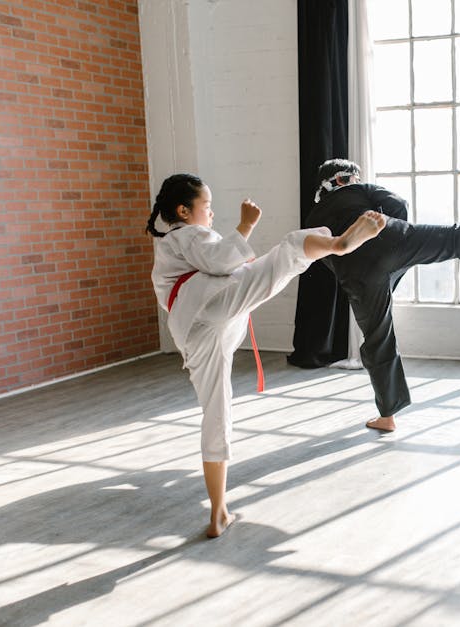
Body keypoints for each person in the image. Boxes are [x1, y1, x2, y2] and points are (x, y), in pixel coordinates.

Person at [147, 173, 385, 537]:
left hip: (193, 330)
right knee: (290, 248)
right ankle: (337, 244)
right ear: (183, 210)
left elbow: (211, 268)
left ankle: (218, 512)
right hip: (212, 306)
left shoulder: (167, 248)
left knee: (216, 410)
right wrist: (245, 225)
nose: (211, 215)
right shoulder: (187, 234)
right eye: (206, 207)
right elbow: (222, 260)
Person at [306, 158, 460, 433]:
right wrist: (398, 239)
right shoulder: (360, 190)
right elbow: (398, 204)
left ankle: (388, 416)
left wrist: (357, 276)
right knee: (451, 238)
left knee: (378, 337)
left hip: (356, 273)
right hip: (391, 238)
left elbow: (323, 255)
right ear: (344, 179)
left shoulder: (314, 216)